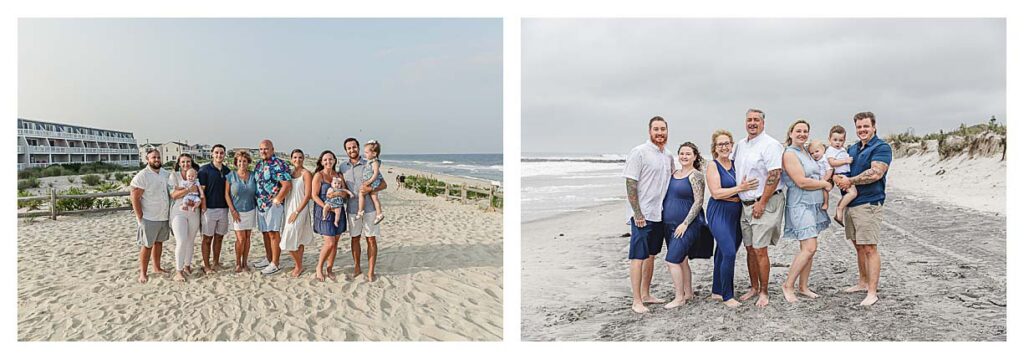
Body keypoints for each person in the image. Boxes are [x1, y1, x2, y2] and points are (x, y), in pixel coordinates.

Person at [833, 111, 892, 307]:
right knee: (858, 245)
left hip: (869, 203)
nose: (862, 130)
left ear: (874, 127)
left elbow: (876, 173)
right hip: (852, 204)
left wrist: (850, 180)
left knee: (869, 247)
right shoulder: (852, 149)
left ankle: (872, 292)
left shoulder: (881, 147)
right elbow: (840, 170)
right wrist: (838, 179)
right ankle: (862, 282)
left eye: (866, 126)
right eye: (859, 127)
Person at [732, 108, 785, 308]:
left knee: (760, 249)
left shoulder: (770, 145)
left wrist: (762, 202)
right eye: (749, 120)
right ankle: (753, 287)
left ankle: (764, 291)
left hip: (765, 203)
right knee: (749, 249)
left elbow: (775, 174)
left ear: (763, 123)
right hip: (745, 204)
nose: (752, 123)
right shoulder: (740, 145)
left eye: (756, 120)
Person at [622, 116, 674, 314]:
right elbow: (630, 183)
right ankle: (636, 300)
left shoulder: (668, 155)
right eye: (656, 129)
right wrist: (637, 213)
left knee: (652, 255)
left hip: (659, 214)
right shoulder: (639, 152)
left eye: (663, 129)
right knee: (638, 256)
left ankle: (646, 294)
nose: (660, 133)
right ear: (649, 131)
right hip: (641, 215)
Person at [779, 120, 833, 303]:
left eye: (805, 131)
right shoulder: (789, 154)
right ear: (791, 133)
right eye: (798, 131)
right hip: (800, 204)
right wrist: (825, 184)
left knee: (808, 249)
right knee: (810, 247)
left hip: (814, 204)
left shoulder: (807, 152)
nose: (802, 134)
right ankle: (788, 285)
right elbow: (801, 181)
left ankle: (803, 286)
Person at [705, 130, 758, 308]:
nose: (724, 147)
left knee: (722, 251)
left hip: (736, 211)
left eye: (727, 143)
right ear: (715, 147)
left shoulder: (736, 164)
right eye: (720, 144)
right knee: (728, 252)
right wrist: (740, 188)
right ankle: (728, 295)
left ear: (732, 145)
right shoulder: (713, 165)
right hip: (719, 211)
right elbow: (716, 193)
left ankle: (717, 291)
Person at [661, 142, 714, 309]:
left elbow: (698, 201)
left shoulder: (696, 175)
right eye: (682, 153)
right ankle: (688, 293)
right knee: (682, 260)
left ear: (695, 156)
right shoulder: (674, 173)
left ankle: (679, 298)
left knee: (672, 260)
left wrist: (685, 223)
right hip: (668, 224)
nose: (684, 156)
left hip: (686, 225)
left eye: (688, 154)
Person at [341, 138, 388, 282]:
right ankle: (357, 267)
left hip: (370, 208)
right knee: (355, 238)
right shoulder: (343, 167)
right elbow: (341, 186)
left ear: (358, 148)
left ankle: (371, 272)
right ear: (346, 150)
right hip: (352, 209)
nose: (352, 150)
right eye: (349, 148)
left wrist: (370, 188)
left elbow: (384, 184)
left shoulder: (369, 163)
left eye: (354, 147)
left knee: (371, 239)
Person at [129, 149, 171, 283]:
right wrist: (139, 216)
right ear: (148, 159)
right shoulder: (143, 175)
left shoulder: (165, 174)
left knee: (159, 243)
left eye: (158, 157)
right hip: (149, 217)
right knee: (147, 245)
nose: (157, 160)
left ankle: (157, 267)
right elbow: (135, 197)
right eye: (154, 157)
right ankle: (143, 272)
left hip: (163, 216)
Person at [252, 139, 292, 276]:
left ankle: (275, 263)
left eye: (266, 149)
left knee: (273, 233)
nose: (263, 151)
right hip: (260, 205)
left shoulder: (279, 164)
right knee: (265, 233)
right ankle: (268, 258)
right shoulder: (258, 165)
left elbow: (286, 185)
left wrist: (278, 199)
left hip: (273, 205)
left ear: (272, 149)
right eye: (261, 149)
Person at [311, 150, 349, 282]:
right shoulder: (318, 175)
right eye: (325, 160)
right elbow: (314, 195)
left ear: (334, 160)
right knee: (329, 242)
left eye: (330, 159)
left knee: (335, 243)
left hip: (338, 211)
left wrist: (338, 195)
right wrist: (327, 207)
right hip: (325, 211)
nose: (328, 162)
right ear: (321, 162)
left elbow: (344, 193)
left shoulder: (338, 175)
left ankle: (330, 268)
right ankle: (319, 268)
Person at [168, 154, 202, 282]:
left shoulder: (196, 175)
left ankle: (187, 266)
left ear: (191, 163)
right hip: (179, 211)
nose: (186, 164)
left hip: (194, 210)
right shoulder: (174, 176)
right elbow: (174, 195)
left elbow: (200, 191)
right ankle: (179, 271)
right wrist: (188, 190)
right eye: (183, 162)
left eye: (188, 161)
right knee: (181, 240)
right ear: (179, 163)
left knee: (190, 240)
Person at [281, 149, 314, 278]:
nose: (297, 160)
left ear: (303, 159)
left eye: (300, 157)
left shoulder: (306, 174)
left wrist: (296, 211)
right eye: (295, 157)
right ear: (291, 159)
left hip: (300, 208)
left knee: (289, 236)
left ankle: (299, 265)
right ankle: (298, 265)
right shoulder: (289, 173)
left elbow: (308, 195)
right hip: (289, 206)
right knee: (298, 238)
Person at [199, 144, 231, 273]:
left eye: (221, 153)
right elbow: (201, 191)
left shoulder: (227, 171)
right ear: (212, 154)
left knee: (219, 237)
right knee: (207, 238)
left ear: (224, 154)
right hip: (209, 210)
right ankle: (206, 266)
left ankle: (216, 263)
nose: (219, 155)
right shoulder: (204, 170)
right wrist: (204, 207)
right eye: (216, 152)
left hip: (223, 209)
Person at [225, 149, 257, 273]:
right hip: (236, 211)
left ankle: (245, 262)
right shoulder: (231, 176)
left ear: (248, 162)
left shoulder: (253, 175)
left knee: (248, 237)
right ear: (236, 162)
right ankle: (238, 263)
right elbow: (226, 195)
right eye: (239, 161)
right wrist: (232, 210)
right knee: (241, 238)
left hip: (250, 209)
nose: (242, 163)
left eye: (244, 161)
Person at [826, 125, 857, 226]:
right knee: (853, 193)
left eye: (841, 140)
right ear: (829, 139)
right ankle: (839, 210)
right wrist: (845, 160)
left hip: (846, 174)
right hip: (840, 175)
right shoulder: (831, 150)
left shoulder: (842, 149)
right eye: (835, 140)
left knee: (850, 193)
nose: (838, 142)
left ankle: (840, 213)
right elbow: (832, 162)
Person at [356, 140, 386, 224]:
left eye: (366, 152)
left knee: (363, 194)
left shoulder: (375, 162)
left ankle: (361, 211)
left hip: (373, 182)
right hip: (370, 181)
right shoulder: (370, 162)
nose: (365, 154)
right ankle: (379, 214)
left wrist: (369, 182)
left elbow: (375, 174)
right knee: (373, 197)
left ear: (374, 153)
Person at [807, 140, 831, 211]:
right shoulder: (815, 160)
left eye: (817, 151)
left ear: (823, 149)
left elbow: (829, 170)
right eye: (812, 153)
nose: (815, 154)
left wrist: (825, 180)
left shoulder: (824, 159)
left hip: (825, 178)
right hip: (818, 179)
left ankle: (826, 203)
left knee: (824, 191)